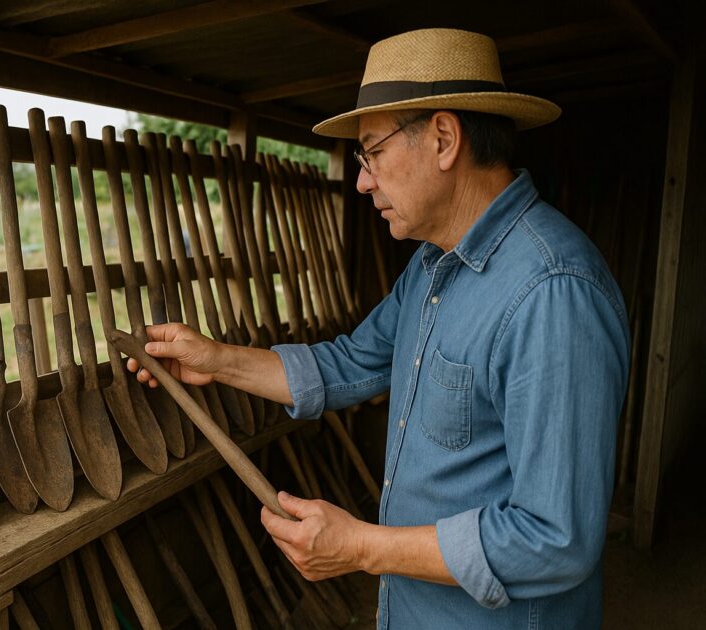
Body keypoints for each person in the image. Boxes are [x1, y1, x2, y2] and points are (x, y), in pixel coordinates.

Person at [127, 28, 630, 628]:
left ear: (444, 139)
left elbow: (555, 539)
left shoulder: (552, 292)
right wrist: (216, 360)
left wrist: (362, 547)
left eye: (373, 152)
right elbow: (352, 362)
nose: (363, 180)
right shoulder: (431, 266)